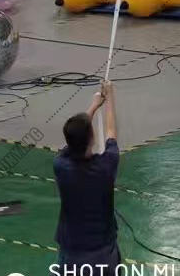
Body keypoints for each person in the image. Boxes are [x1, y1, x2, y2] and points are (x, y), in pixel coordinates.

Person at [53, 79, 121, 275]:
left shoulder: (61, 165)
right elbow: (111, 133)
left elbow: (76, 136)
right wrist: (109, 97)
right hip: (102, 254)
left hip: (71, 253)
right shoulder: (106, 165)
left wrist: (93, 105)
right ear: (92, 138)